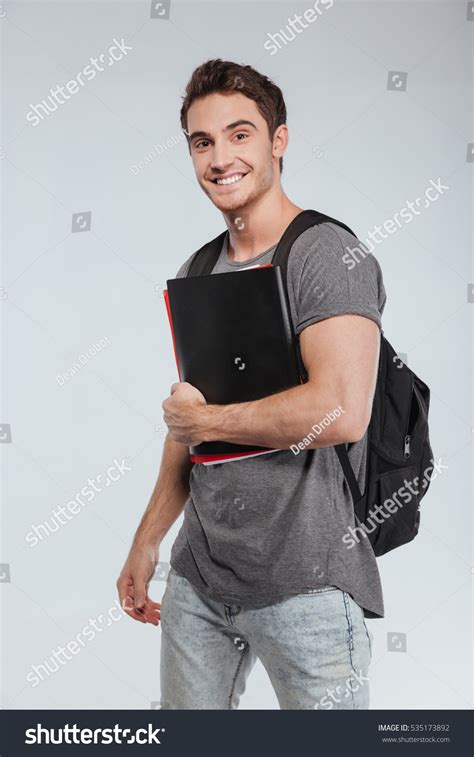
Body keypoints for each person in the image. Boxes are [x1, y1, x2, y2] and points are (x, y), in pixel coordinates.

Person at [117, 59, 386, 710]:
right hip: (200, 579)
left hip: (308, 585)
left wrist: (206, 422)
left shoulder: (325, 253)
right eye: (202, 141)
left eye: (240, 134)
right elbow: (190, 423)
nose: (219, 157)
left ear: (278, 141)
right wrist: (147, 539)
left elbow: (342, 410)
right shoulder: (199, 267)